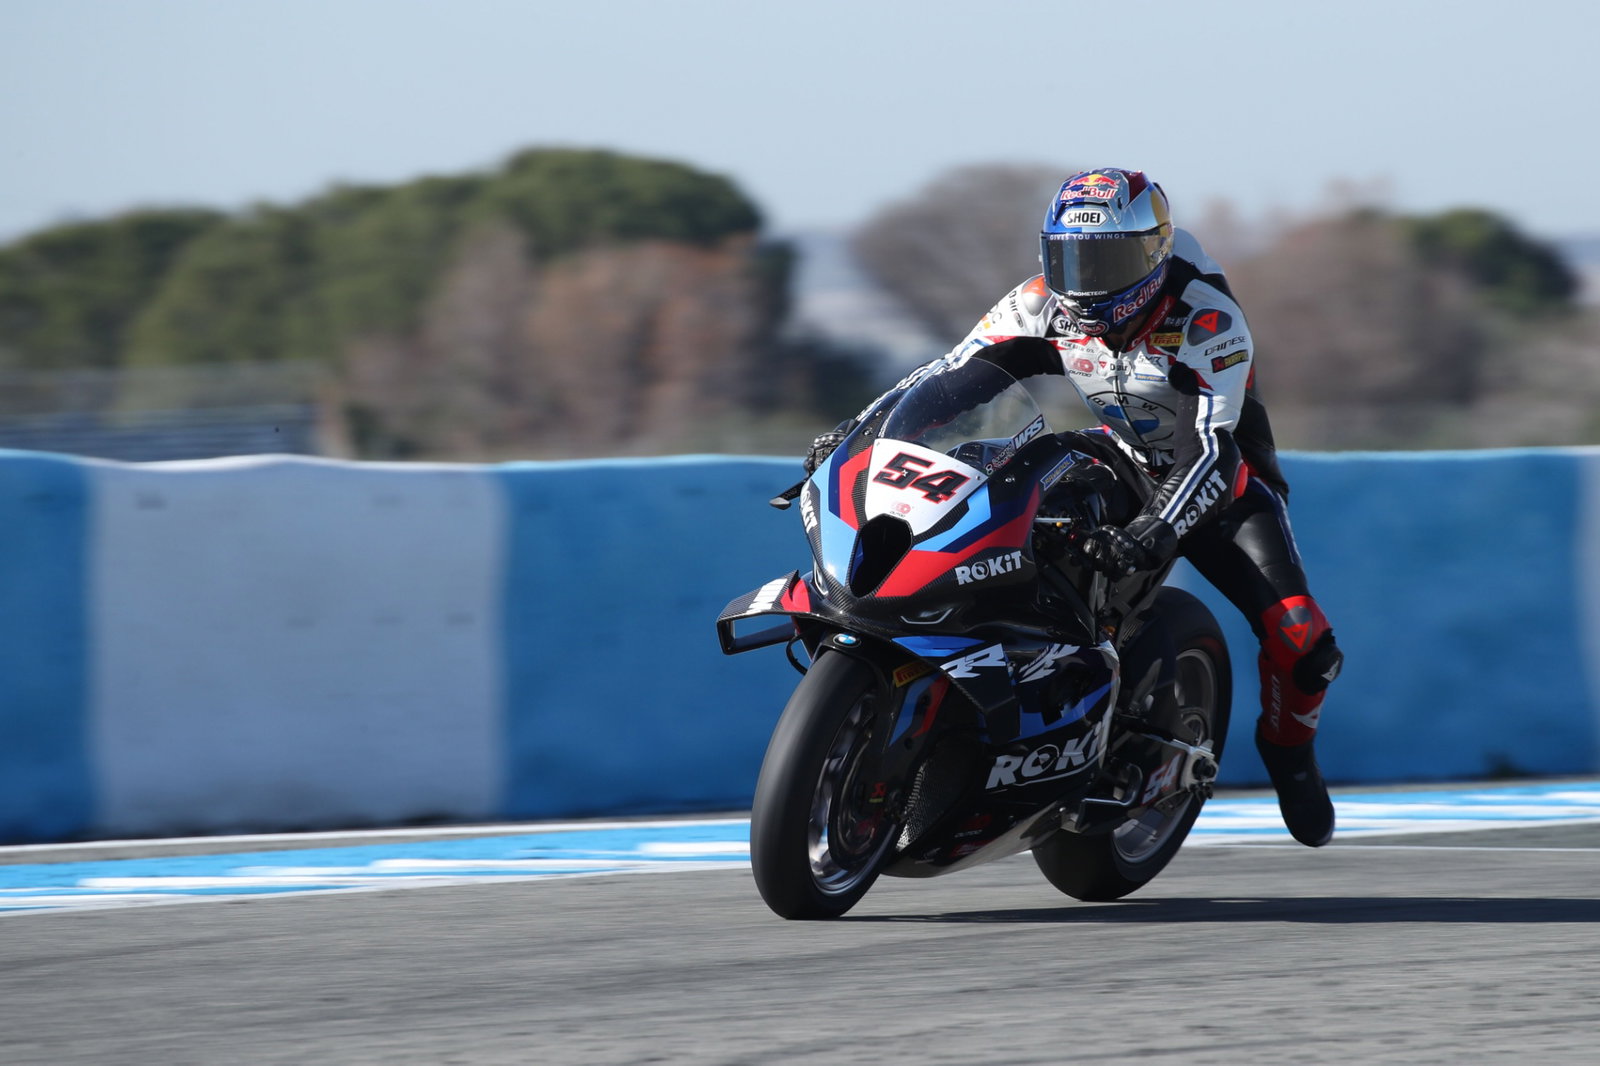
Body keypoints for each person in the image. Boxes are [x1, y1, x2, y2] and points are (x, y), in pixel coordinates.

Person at [803, 167, 1343, 847]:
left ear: (1152, 255)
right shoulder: (1039, 302)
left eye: (1107, 260)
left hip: (1219, 484)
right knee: (1018, 507)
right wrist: (854, 435)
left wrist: (1154, 528)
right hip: (1116, 455)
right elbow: (944, 378)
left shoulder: (1204, 318)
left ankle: (1291, 759)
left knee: (1304, 641)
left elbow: (1211, 448)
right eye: (1070, 259)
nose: (1086, 282)